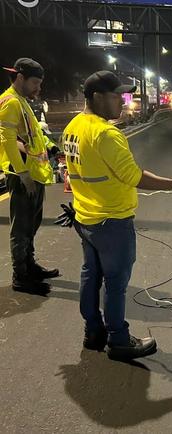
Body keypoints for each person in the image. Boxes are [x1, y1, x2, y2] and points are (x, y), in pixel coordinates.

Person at [59, 71, 172, 360]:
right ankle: (119, 340)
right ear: (98, 97)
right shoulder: (107, 134)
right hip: (112, 221)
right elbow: (134, 176)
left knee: (90, 275)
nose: (123, 102)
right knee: (115, 283)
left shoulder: (72, 127)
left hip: (85, 218)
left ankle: (93, 331)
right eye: (117, 96)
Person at [0, 58, 59, 295]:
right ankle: (21, 276)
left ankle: (30, 266)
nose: (39, 88)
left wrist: (51, 146)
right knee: (21, 228)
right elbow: (6, 139)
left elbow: (33, 135)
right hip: (21, 174)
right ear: (20, 78)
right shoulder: (11, 102)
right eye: (35, 82)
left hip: (33, 173)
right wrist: (23, 173)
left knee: (31, 225)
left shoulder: (23, 101)